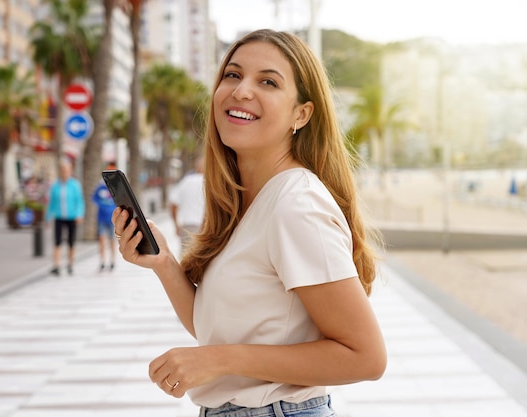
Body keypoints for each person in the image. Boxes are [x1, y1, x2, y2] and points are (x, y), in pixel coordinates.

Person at [112, 29, 386, 416]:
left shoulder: (295, 205)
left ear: (301, 114)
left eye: (268, 82)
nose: (241, 91)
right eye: (233, 75)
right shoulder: (249, 203)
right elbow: (218, 331)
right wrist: (164, 264)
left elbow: (365, 357)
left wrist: (221, 360)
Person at [45, 158, 85, 276]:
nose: (64, 172)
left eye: (67, 170)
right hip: (59, 216)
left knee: (71, 242)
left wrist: (80, 214)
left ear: (70, 170)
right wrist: (48, 217)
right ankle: (56, 265)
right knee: (57, 241)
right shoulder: (55, 186)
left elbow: (80, 201)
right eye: (62, 170)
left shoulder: (75, 185)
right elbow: (51, 202)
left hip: (72, 217)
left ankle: (70, 264)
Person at [169, 155, 205, 254]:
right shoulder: (212, 183)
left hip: (188, 228)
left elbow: (173, 203)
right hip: (205, 228)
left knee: (186, 260)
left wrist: (176, 225)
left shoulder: (187, 181)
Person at [92, 163, 118, 272]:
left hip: (112, 218)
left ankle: (112, 261)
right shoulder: (100, 187)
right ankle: (102, 261)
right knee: (102, 240)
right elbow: (94, 199)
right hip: (102, 218)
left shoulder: (116, 187)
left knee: (112, 240)